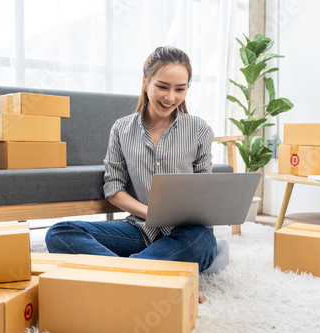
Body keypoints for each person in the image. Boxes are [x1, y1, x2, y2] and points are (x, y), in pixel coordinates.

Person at [45, 46, 217, 274]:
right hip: (139, 230)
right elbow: (114, 188)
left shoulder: (199, 129)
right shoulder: (121, 128)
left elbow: (204, 190)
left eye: (180, 89)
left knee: (203, 240)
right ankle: (148, 270)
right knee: (60, 233)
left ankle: (125, 271)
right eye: (162, 87)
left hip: (186, 233)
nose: (170, 97)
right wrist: (152, 213)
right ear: (145, 82)